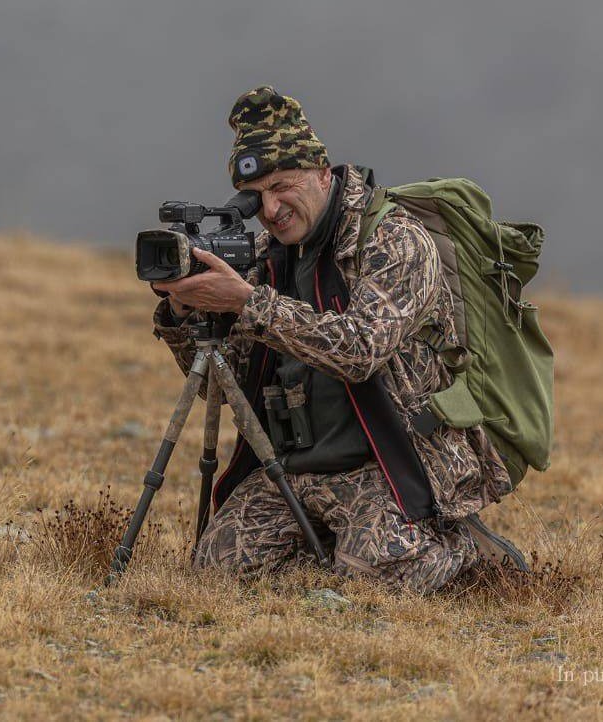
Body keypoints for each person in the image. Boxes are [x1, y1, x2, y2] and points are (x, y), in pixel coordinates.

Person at [151, 86, 525, 593]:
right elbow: (228, 384)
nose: (271, 207)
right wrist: (184, 314)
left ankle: (461, 548)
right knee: (213, 578)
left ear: (323, 171)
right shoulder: (264, 256)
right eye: (255, 197)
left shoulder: (394, 239)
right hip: (295, 466)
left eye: (283, 185)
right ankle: (330, 542)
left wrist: (247, 302)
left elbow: (359, 351)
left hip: (387, 459)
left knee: (374, 583)